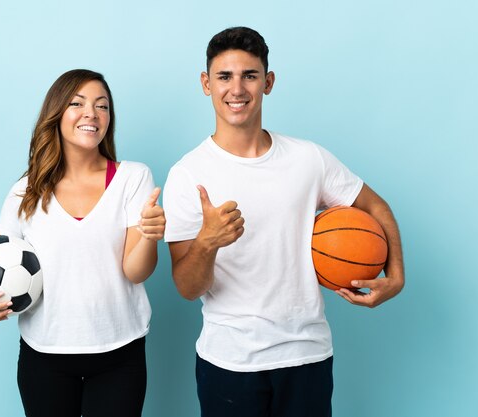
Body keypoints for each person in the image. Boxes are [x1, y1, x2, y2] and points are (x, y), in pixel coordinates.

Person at [163, 27, 404, 417]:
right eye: (224, 76)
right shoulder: (188, 174)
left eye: (250, 75)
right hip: (230, 362)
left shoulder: (309, 159)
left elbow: (376, 206)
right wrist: (208, 242)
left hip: (307, 356)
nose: (237, 89)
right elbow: (187, 288)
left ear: (268, 82)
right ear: (206, 84)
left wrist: (396, 276)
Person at [0, 69, 165, 417]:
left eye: (102, 106)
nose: (91, 114)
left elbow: (135, 271)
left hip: (119, 353)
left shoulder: (133, 178)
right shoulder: (25, 191)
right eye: (77, 103)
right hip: (44, 357)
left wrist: (151, 236)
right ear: (57, 114)